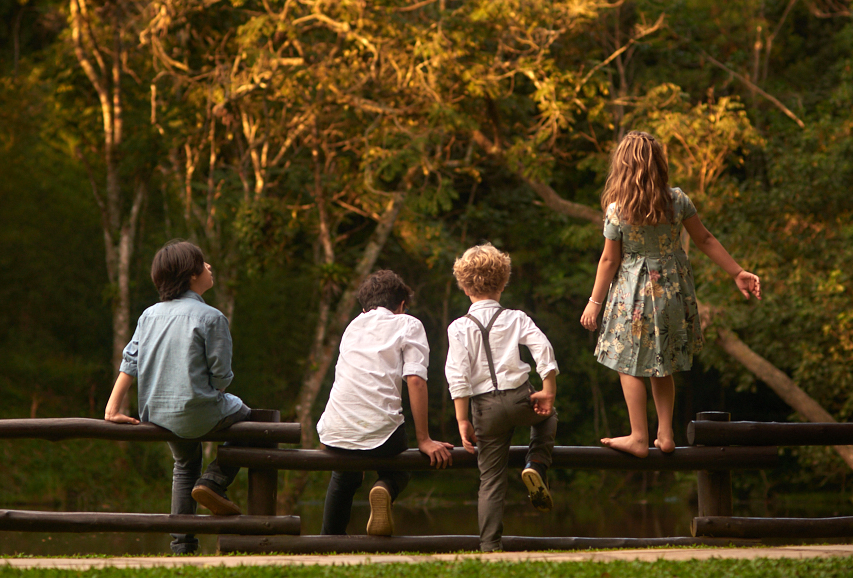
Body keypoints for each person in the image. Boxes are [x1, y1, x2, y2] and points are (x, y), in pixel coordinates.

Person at [580, 131, 762, 457]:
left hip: (632, 295)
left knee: (627, 363)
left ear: (623, 166)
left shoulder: (618, 210)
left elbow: (609, 259)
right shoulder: (677, 200)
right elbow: (705, 239)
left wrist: (595, 302)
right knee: (662, 363)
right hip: (672, 292)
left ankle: (639, 436)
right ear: (658, 164)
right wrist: (737, 272)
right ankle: (665, 435)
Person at [104, 239, 250, 555]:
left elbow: (131, 361)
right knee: (251, 422)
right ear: (191, 276)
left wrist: (112, 407)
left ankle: (182, 546)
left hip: (155, 413)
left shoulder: (149, 315)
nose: (209, 266)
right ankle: (214, 481)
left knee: (185, 462)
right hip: (198, 412)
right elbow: (222, 377)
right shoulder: (212, 317)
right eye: (203, 263)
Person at [316, 269, 454, 536]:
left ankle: (327, 543)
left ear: (365, 305)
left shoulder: (352, 326)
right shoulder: (408, 324)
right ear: (401, 305)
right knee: (400, 469)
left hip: (335, 429)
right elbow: (415, 380)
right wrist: (424, 439)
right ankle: (385, 487)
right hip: (381, 433)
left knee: (344, 477)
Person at [446, 243, 558, 553]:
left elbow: (458, 374)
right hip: (522, 400)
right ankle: (536, 463)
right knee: (548, 416)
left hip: (485, 408)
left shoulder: (458, 328)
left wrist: (462, 418)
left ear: (465, 287)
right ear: (504, 282)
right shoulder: (516, 318)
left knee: (491, 478)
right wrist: (548, 390)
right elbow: (542, 348)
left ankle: (489, 546)